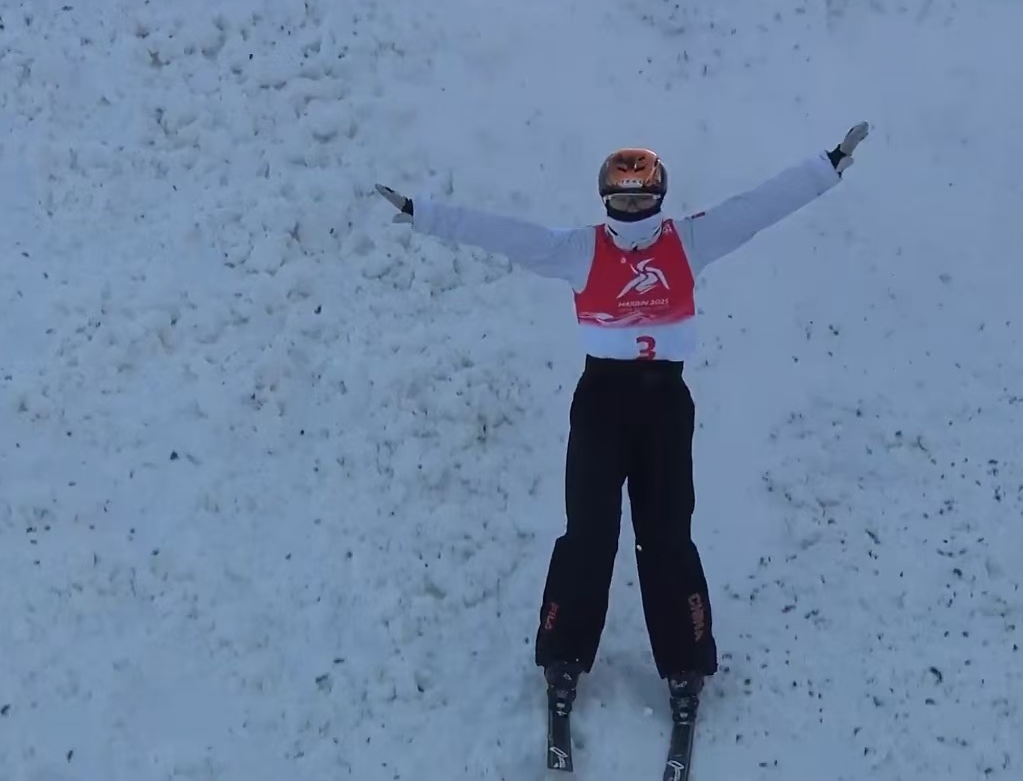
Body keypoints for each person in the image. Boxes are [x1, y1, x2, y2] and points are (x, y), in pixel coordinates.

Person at [372, 121, 870, 712]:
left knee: (665, 537)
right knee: (589, 534)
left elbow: (757, 207)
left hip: (665, 406)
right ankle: (563, 653)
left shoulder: (688, 242)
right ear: (606, 202)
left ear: (659, 200)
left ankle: (686, 662)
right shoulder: (579, 250)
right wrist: (423, 213)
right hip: (601, 405)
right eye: (622, 200)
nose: (632, 210)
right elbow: (504, 234)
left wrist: (828, 164)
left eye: (642, 199)